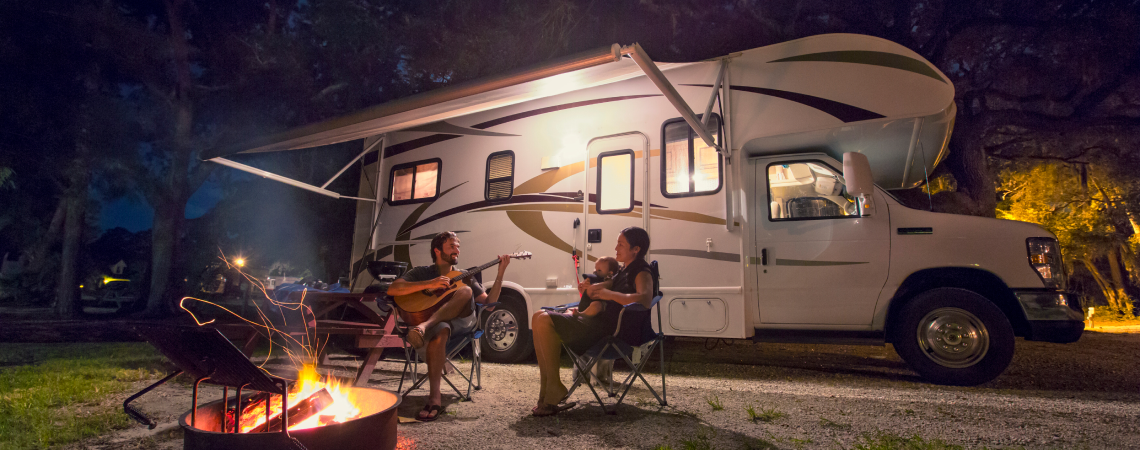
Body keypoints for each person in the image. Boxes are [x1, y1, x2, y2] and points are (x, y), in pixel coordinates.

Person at [386, 231, 511, 421]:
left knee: (465, 290)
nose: (457, 250)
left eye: (458, 246)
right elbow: (393, 289)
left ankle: (424, 327)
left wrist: (500, 272)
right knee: (441, 329)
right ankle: (434, 398)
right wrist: (430, 283)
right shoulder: (422, 272)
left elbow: (490, 303)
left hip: (462, 322)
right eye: (452, 246)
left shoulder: (464, 275)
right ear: (437, 250)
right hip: (440, 324)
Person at [529, 226, 653, 417]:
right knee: (538, 316)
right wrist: (592, 287)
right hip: (598, 325)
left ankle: (553, 388)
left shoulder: (642, 271)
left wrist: (609, 294)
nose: (616, 248)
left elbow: (644, 299)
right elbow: (609, 286)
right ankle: (546, 389)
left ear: (635, 249)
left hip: (610, 332)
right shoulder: (623, 271)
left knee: (544, 321)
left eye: (621, 244)